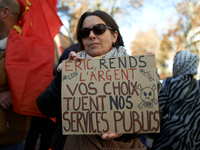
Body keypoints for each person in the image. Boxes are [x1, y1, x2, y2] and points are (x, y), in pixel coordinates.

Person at [37, 10, 161, 150]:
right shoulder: (71, 67)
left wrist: (127, 129)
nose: (91, 35)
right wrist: (62, 76)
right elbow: (45, 108)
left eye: (99, 29)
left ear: (114, 35)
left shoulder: (136, 70)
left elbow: (156, 117)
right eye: (85, 32)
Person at [151, 50, 200, 150]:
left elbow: (157, 107)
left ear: (178, 64)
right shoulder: (198, 85)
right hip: (194, 140)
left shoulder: (170, 83)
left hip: (170, 139)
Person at [0, 0, 31, 149]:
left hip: (10, 137)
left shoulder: (25, 46)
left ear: (4, 12)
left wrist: (14, 92)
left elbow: (34, 86)